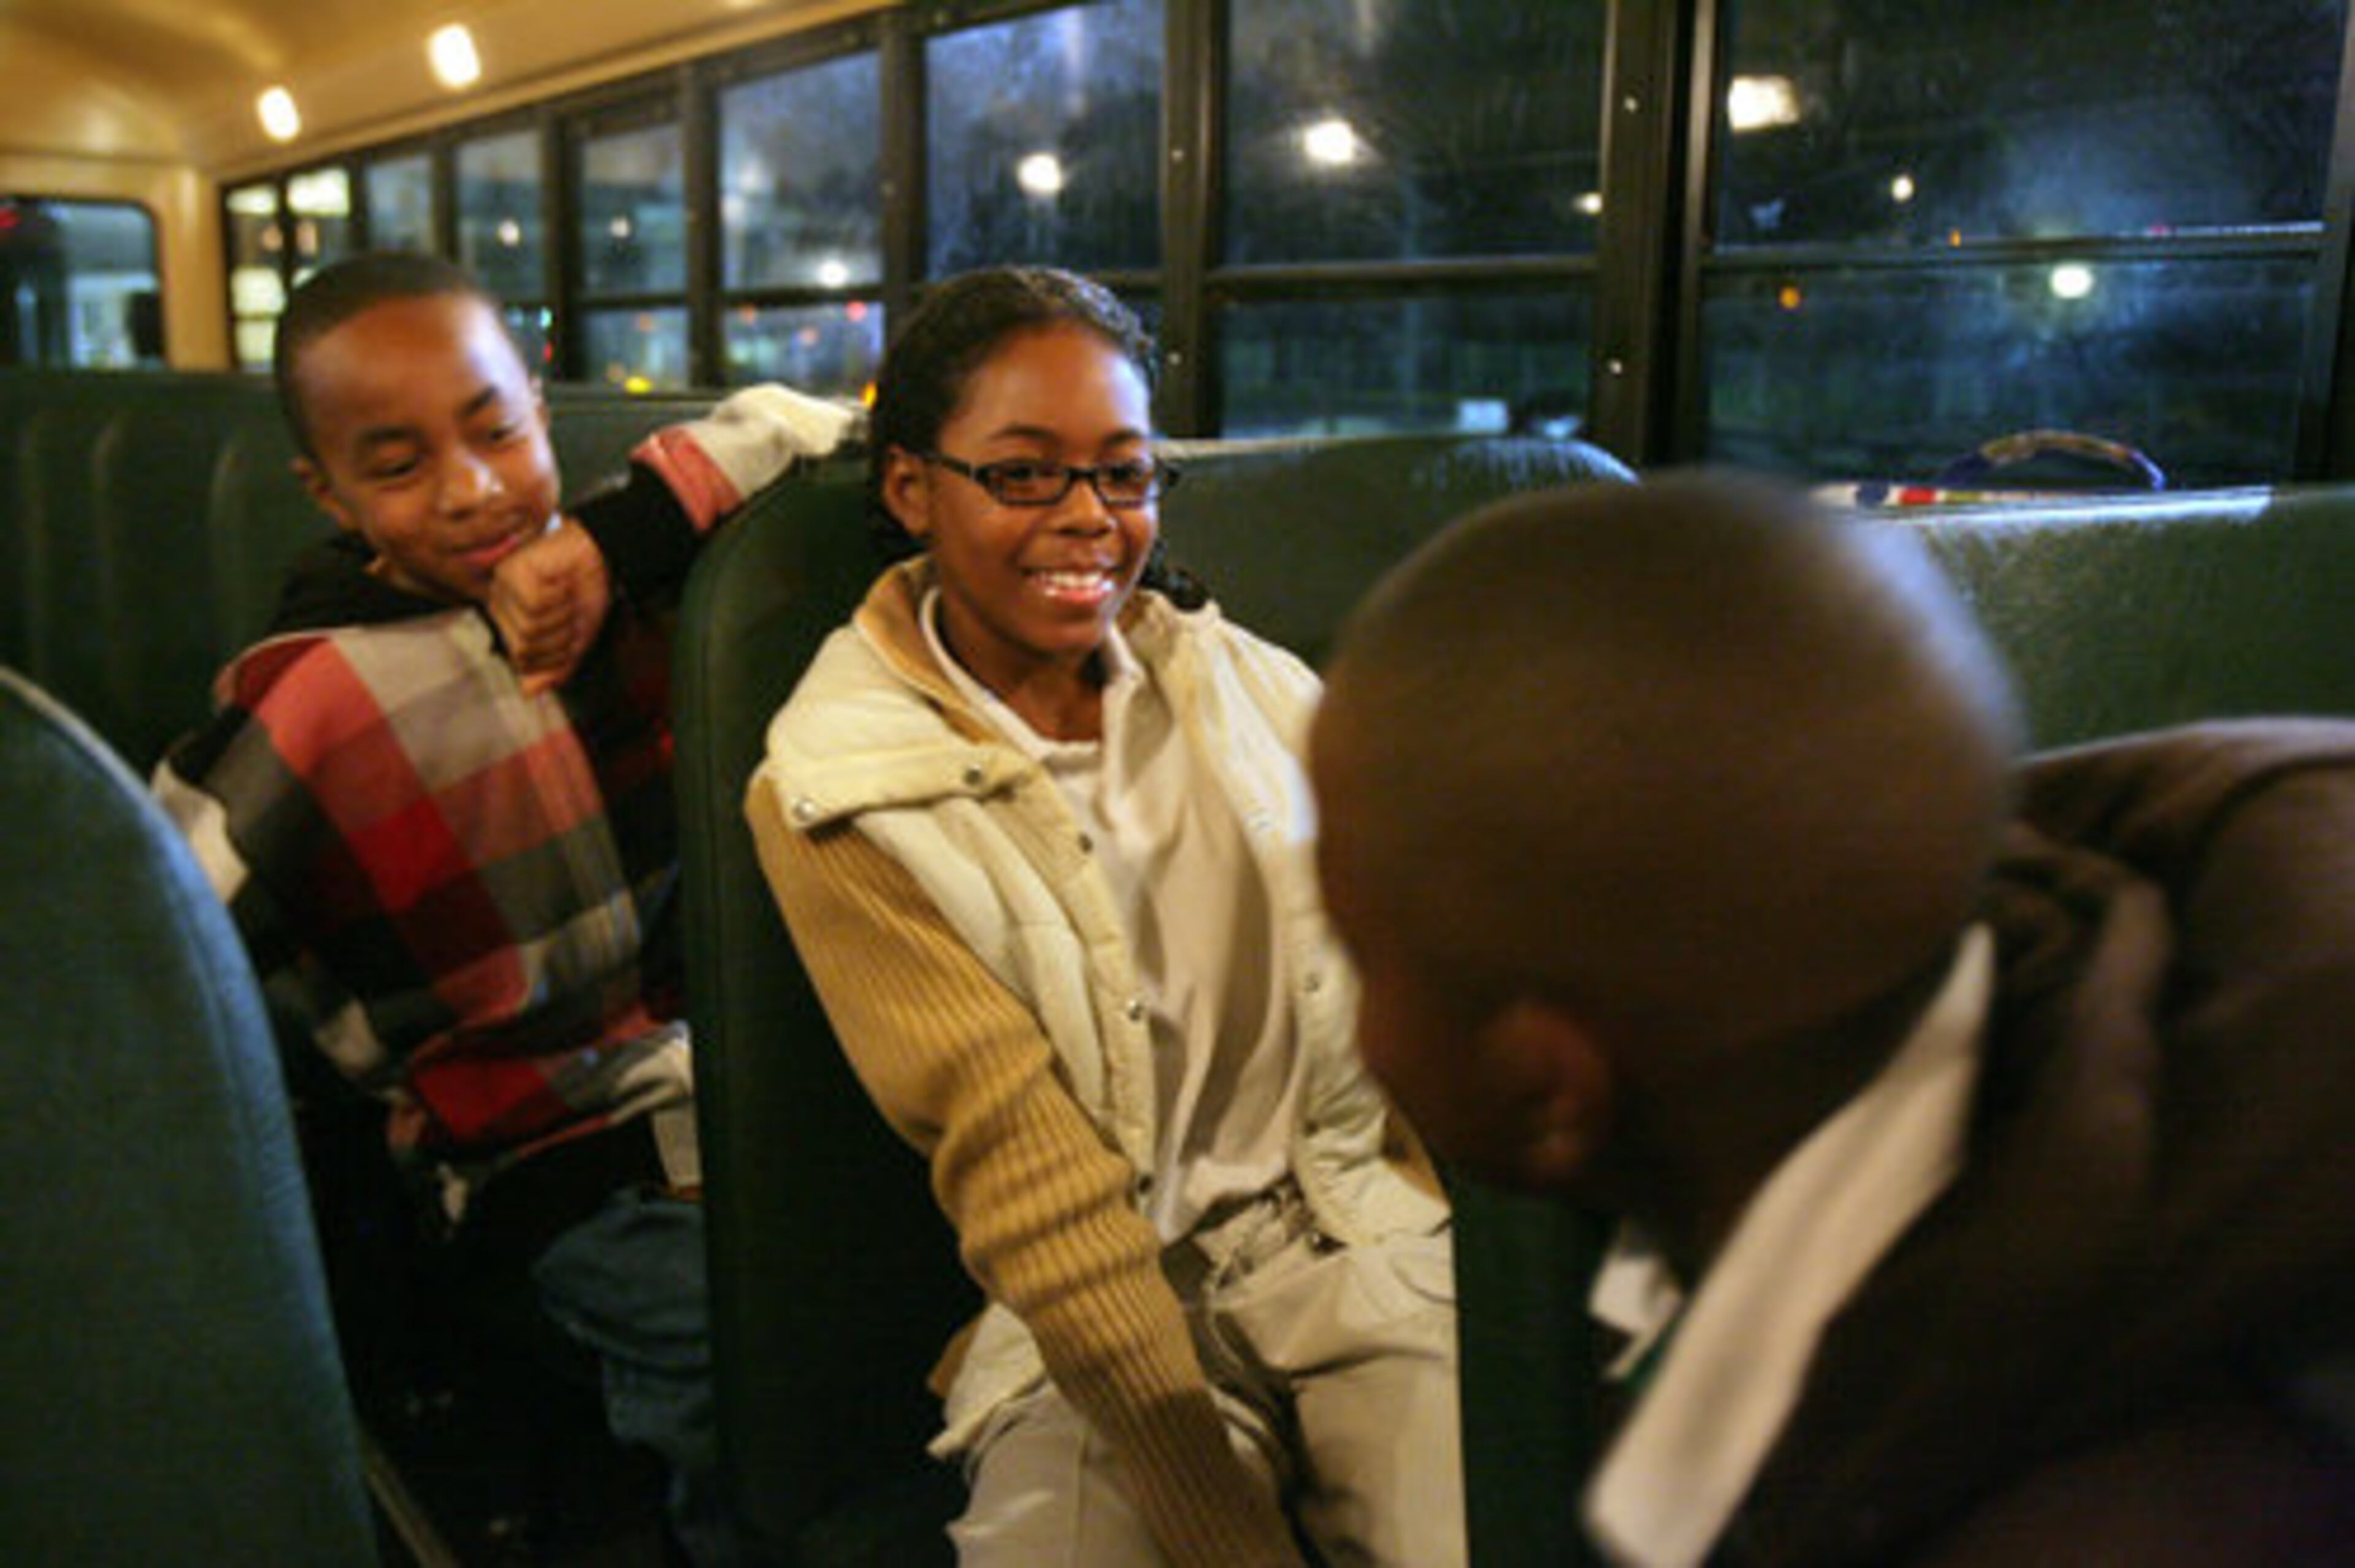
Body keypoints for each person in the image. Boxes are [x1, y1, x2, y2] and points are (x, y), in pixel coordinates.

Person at [1308, 472, 2355, 1567]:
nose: (1353, 1022)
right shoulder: (2083, 937)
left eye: (1357, 952)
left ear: (1549, 1088)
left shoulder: (2117, 1509)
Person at [747, 265, 1461, 1568]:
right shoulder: (838, 782)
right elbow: (1025, 1173)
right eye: (1024, 474)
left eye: (1122, 475)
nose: (1088, 518)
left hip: (1344, 1235)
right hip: (1093, 1313)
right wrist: (1217, 1524)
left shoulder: (1255, 688)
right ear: (912, 489)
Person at [155, 251, 855, 1566]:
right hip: (539, 1159)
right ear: (330, 493)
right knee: (749, 1360)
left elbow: (836, 433)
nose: (475, 489)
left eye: (495, 429)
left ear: (538, 407)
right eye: (401, 462)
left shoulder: (620, 582)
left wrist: (615, 535)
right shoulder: (306, 701)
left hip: (743, 1089)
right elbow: (147, 930)